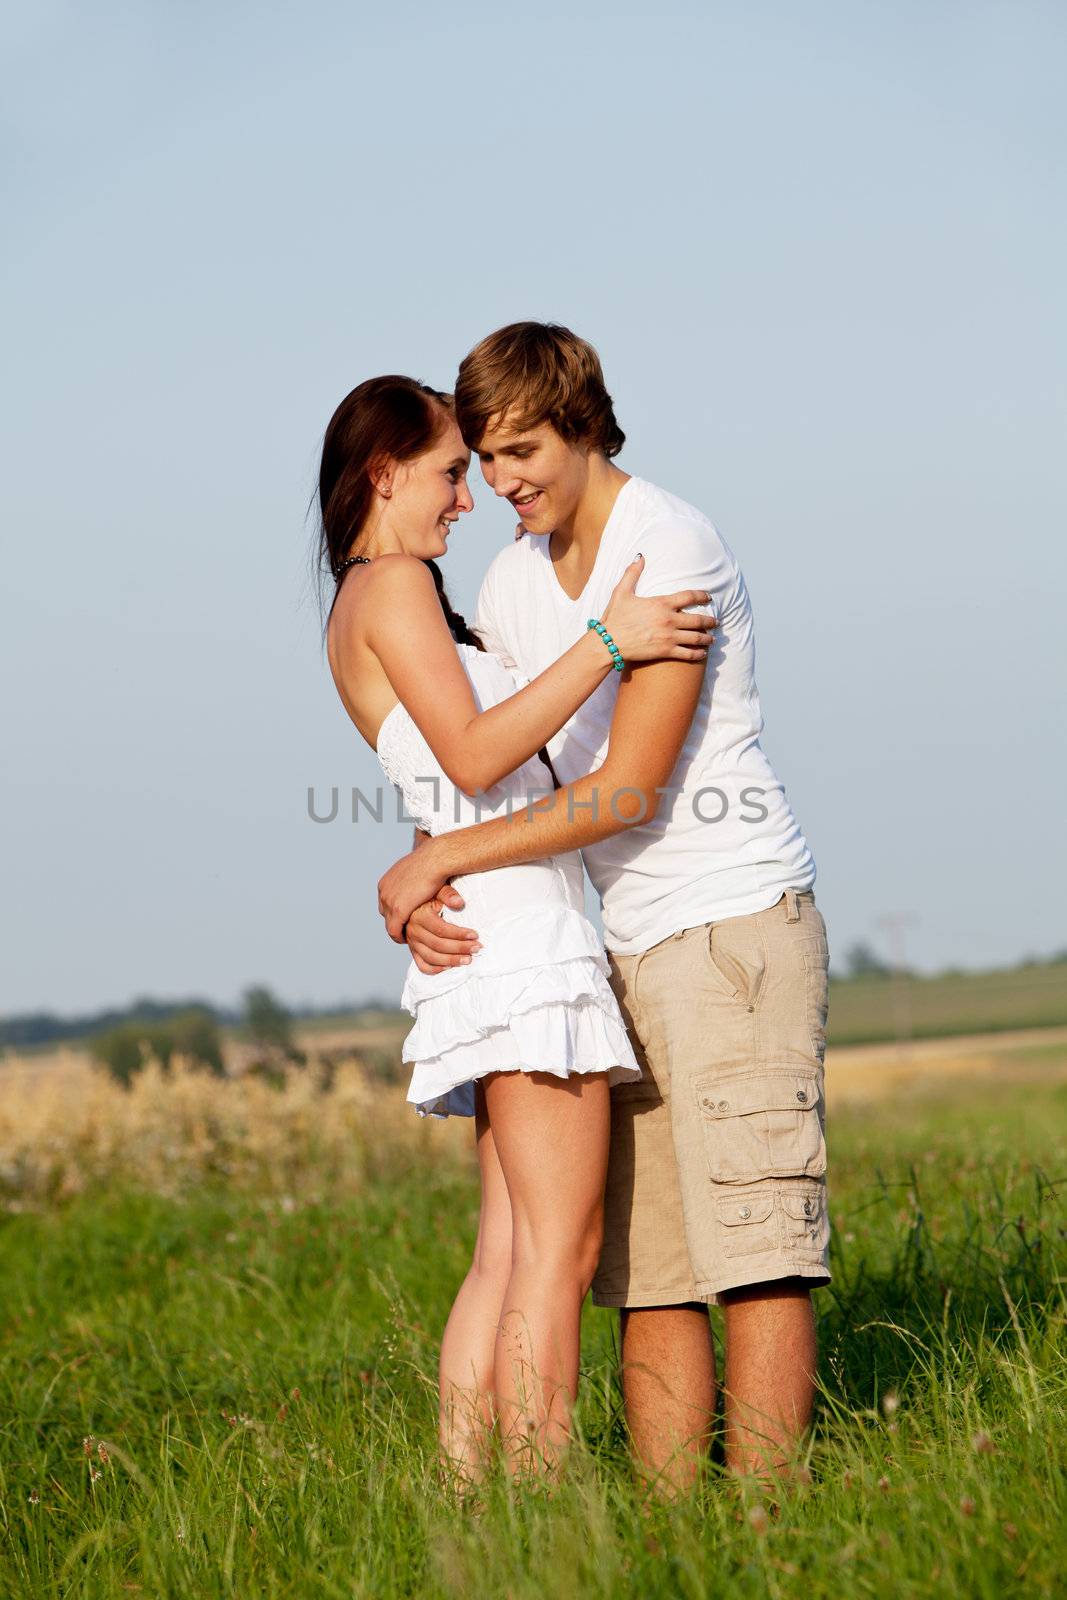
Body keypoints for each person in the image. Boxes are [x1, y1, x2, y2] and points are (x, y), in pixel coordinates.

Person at [377, 324, 832, 1492]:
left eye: (522, 448)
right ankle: (678, 1531)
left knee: (756, 1250)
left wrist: (440, 860)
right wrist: (430, 875)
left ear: (581, 422)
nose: (503, 479)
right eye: (481, 458)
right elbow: (495, 766)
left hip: (724, 925)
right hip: (605, 950)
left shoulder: (665, 543)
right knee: (647, 1270)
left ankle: (768, 1532)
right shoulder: (510, 579)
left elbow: (625, 785)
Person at [317, 373, 717, 1485]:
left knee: (504, 1250)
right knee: (558, 1251)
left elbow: (447, 777)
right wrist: (606, 639)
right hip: (519, 940)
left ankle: (466, 1492)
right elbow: (476, 757)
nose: (468, 499)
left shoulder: (364, 598)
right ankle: (543, 1496)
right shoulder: (394, 581)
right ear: (381, 472)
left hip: (484, 930)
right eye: (451, 472)